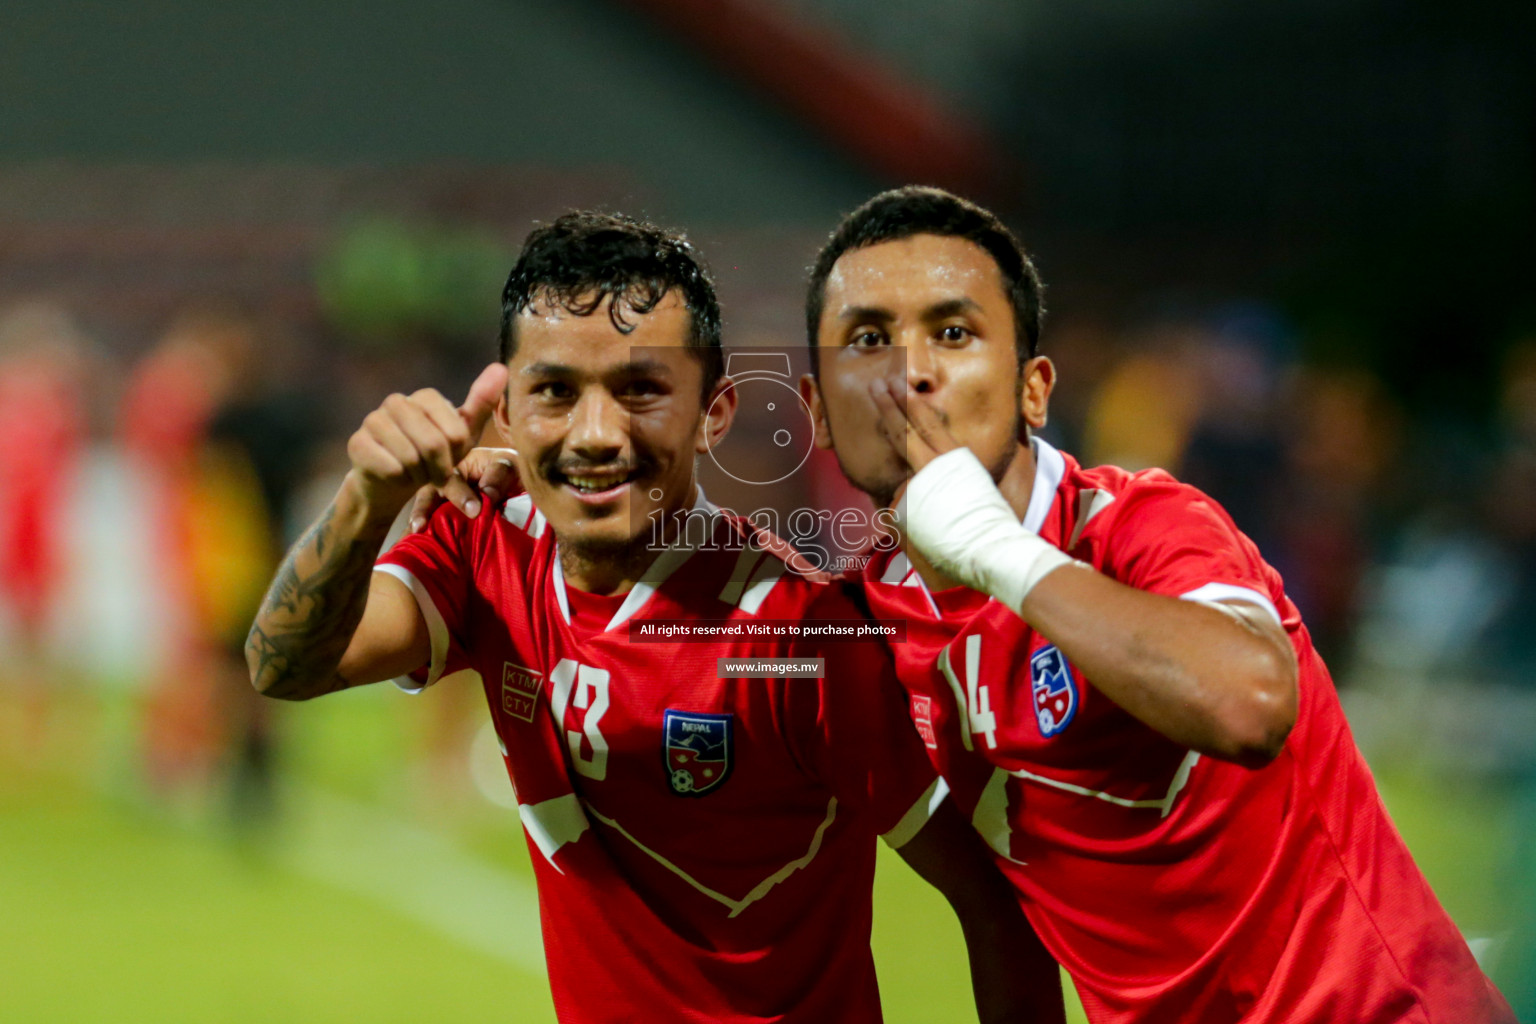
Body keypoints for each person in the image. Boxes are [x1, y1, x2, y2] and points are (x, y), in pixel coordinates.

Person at [246, 211, 1062, 1023]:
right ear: (508, 413)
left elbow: (995, 902)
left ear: (714, 414)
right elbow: (284, 667)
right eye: (555, 392)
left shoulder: (799, 636)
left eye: (640, 390)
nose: (596, 434)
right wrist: (366, 498)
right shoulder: (482, 543)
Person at [793, 185, 1515, 1022]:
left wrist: (997, 551)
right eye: (868, 339)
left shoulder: (1144, 527)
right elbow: (1001, 921)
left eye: (953, 333)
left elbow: (1248, 703)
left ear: (1034, 391)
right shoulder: (872, 629)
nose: (911, 374)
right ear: (816, 412)